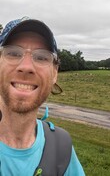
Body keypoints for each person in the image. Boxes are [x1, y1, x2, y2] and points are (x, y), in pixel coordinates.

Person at [0, 17, 85, 175]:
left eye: (41, 57)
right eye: (13, 53)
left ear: (54, 73)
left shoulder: (61, 147)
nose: (26, 67)